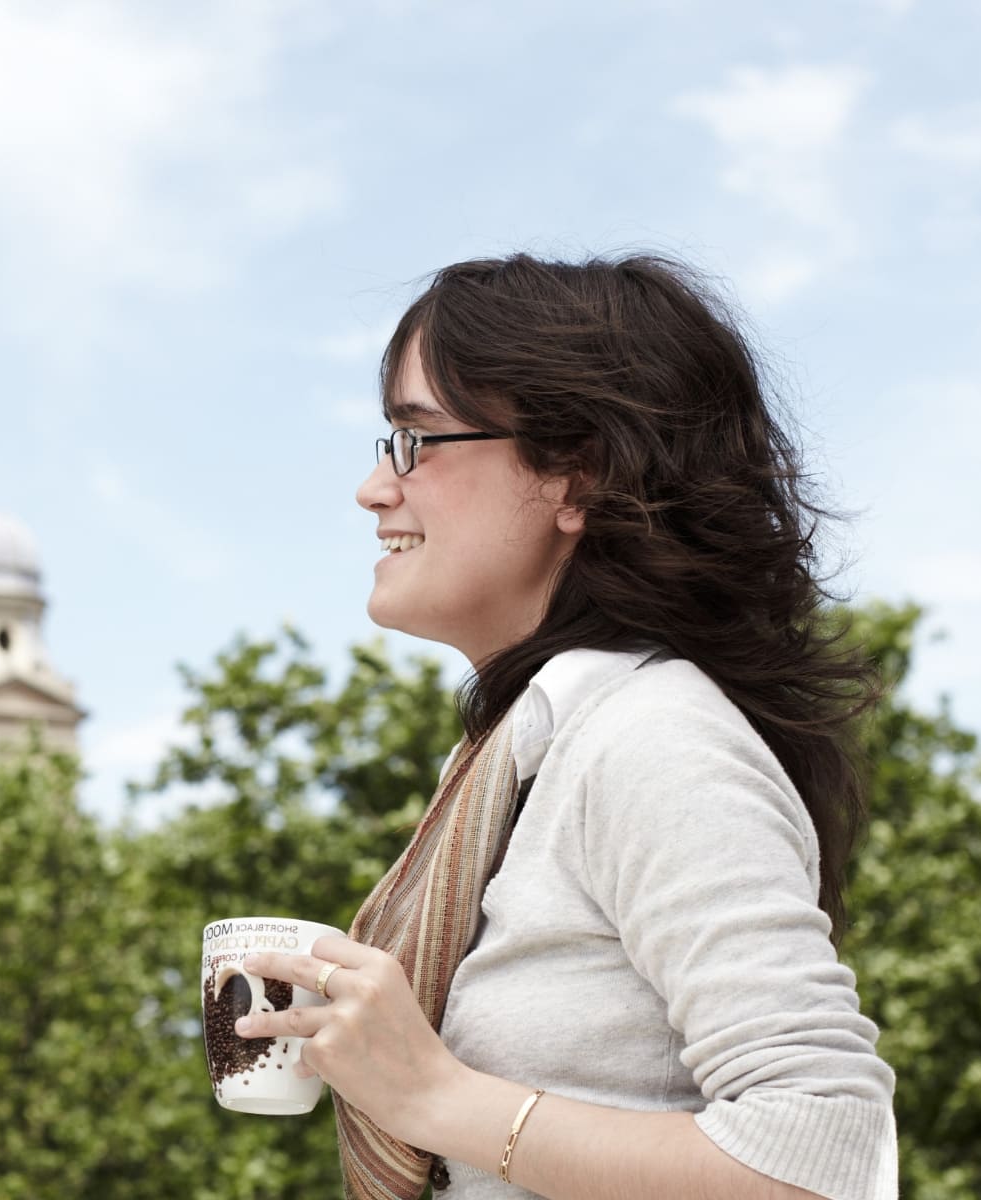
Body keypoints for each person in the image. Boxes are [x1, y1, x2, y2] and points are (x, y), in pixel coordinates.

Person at [238, 255, 898, 1198]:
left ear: (576, 478)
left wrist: (434, 1096)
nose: (374, 489)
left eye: (417, 440)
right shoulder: (530, 755)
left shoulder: (651, 738)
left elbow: (817, 1157)